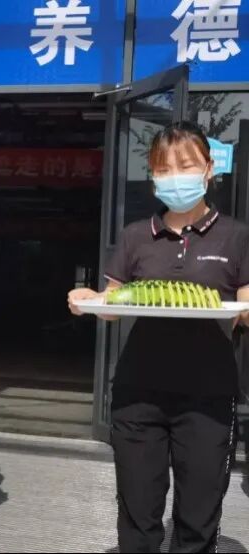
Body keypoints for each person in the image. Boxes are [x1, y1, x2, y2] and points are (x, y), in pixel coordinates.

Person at [68, 121, 249, 553]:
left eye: (185, 166)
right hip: (139, 392)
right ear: (152, 177)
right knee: (138, 515)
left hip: (208, 396)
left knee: (198, 518)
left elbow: (243, 309)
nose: (175, 177)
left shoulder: (237, 236)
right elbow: (113, 304)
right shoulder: (136, 235)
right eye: (163, 169)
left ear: (208, 169)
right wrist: (89, 299)